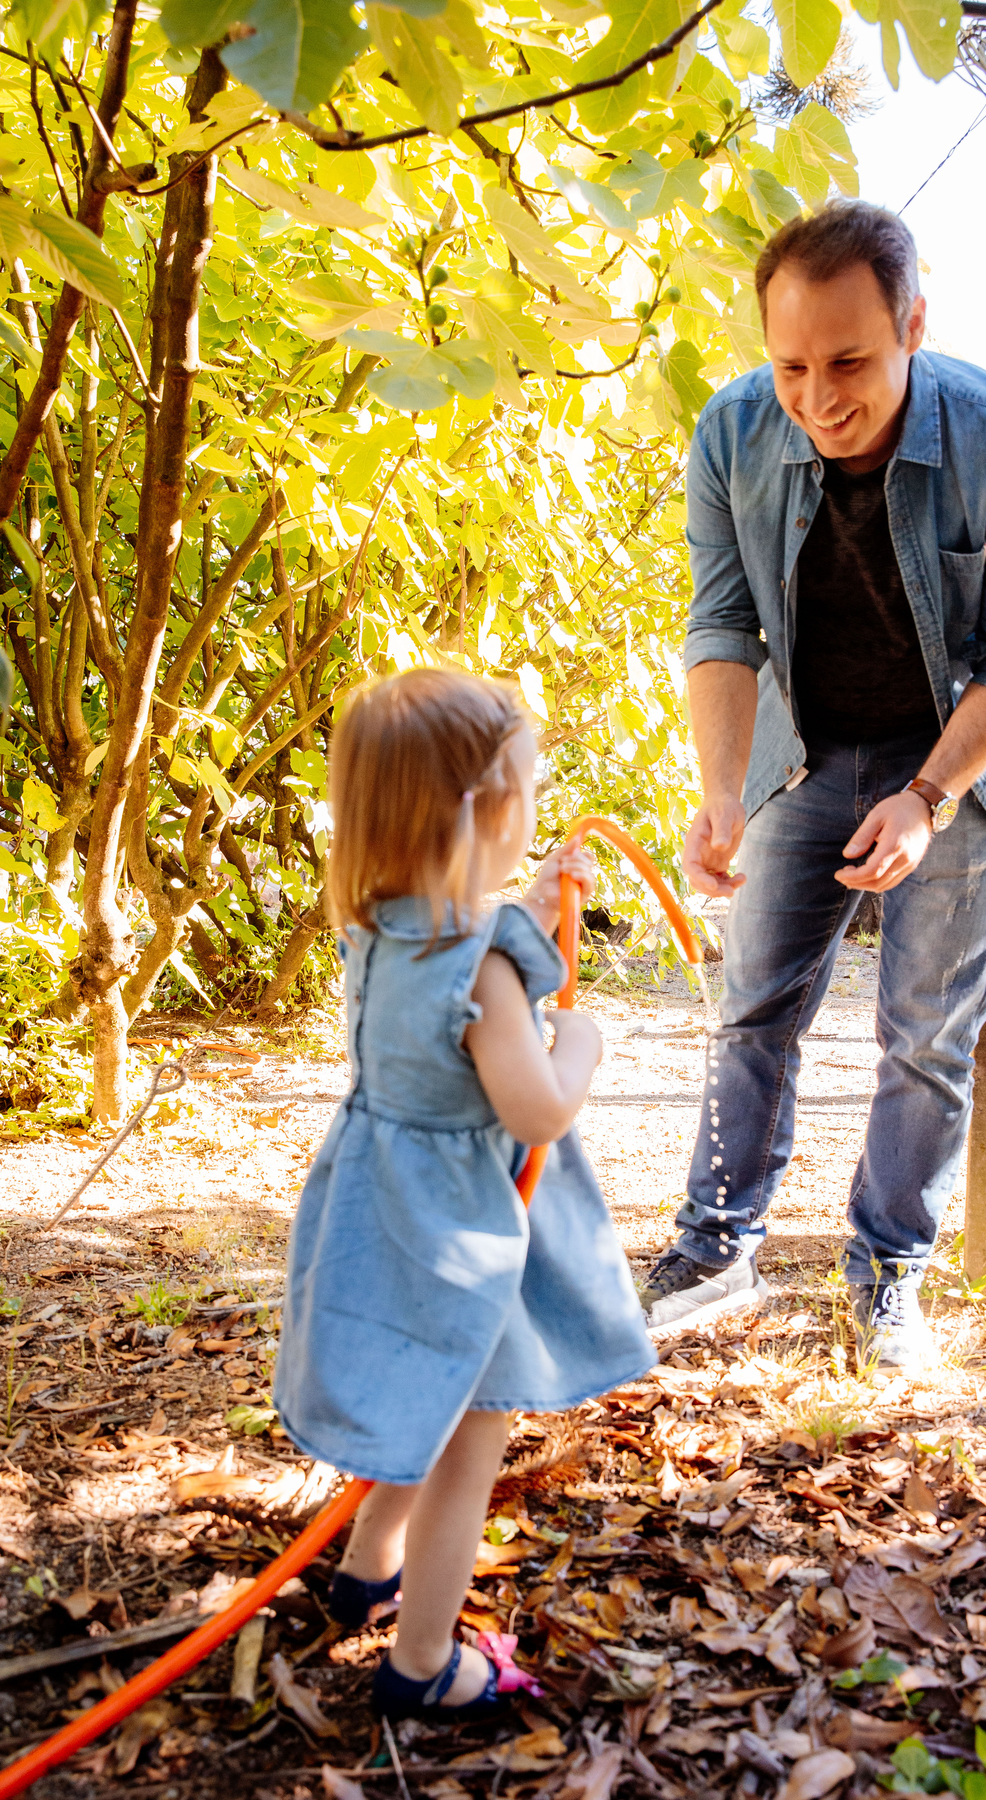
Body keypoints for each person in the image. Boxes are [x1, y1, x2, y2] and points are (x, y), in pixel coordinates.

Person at [638, 200, 986, 1368]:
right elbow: (723, 620)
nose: (820, 398)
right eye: (790, 366)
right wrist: (723, 790)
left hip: (961, 762)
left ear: (913, 325)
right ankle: (714, 1247)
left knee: (926, 1037)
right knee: (752, 1009)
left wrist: (927, 800)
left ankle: (887, 1275)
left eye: (850, 363)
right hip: (807, 752)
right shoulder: (732, 434)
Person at [274, 668, 653, 1721]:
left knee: (425, 1392)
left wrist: (532, 907)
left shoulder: (383, 928)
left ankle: (366, 1568)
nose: (533, 810)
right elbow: (535, 1110)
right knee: (474, 1427)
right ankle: (425, 1659)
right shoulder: (480, 963)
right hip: (467, 1230)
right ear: (482, 811)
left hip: (385, 1211)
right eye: (524, 792)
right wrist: (580, 1040)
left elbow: (456, 990)